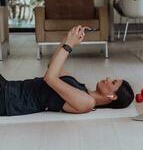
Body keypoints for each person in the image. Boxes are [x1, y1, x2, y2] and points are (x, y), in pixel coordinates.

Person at [0, 26, 134, 116]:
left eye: (113, 82)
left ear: (113, 96)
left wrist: (70, 45)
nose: (109, 78)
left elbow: (50, 78)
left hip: (8, 100)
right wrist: (68, 37)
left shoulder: (87, 103)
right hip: (7, 87)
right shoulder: (81, 89)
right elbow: (52, 65)